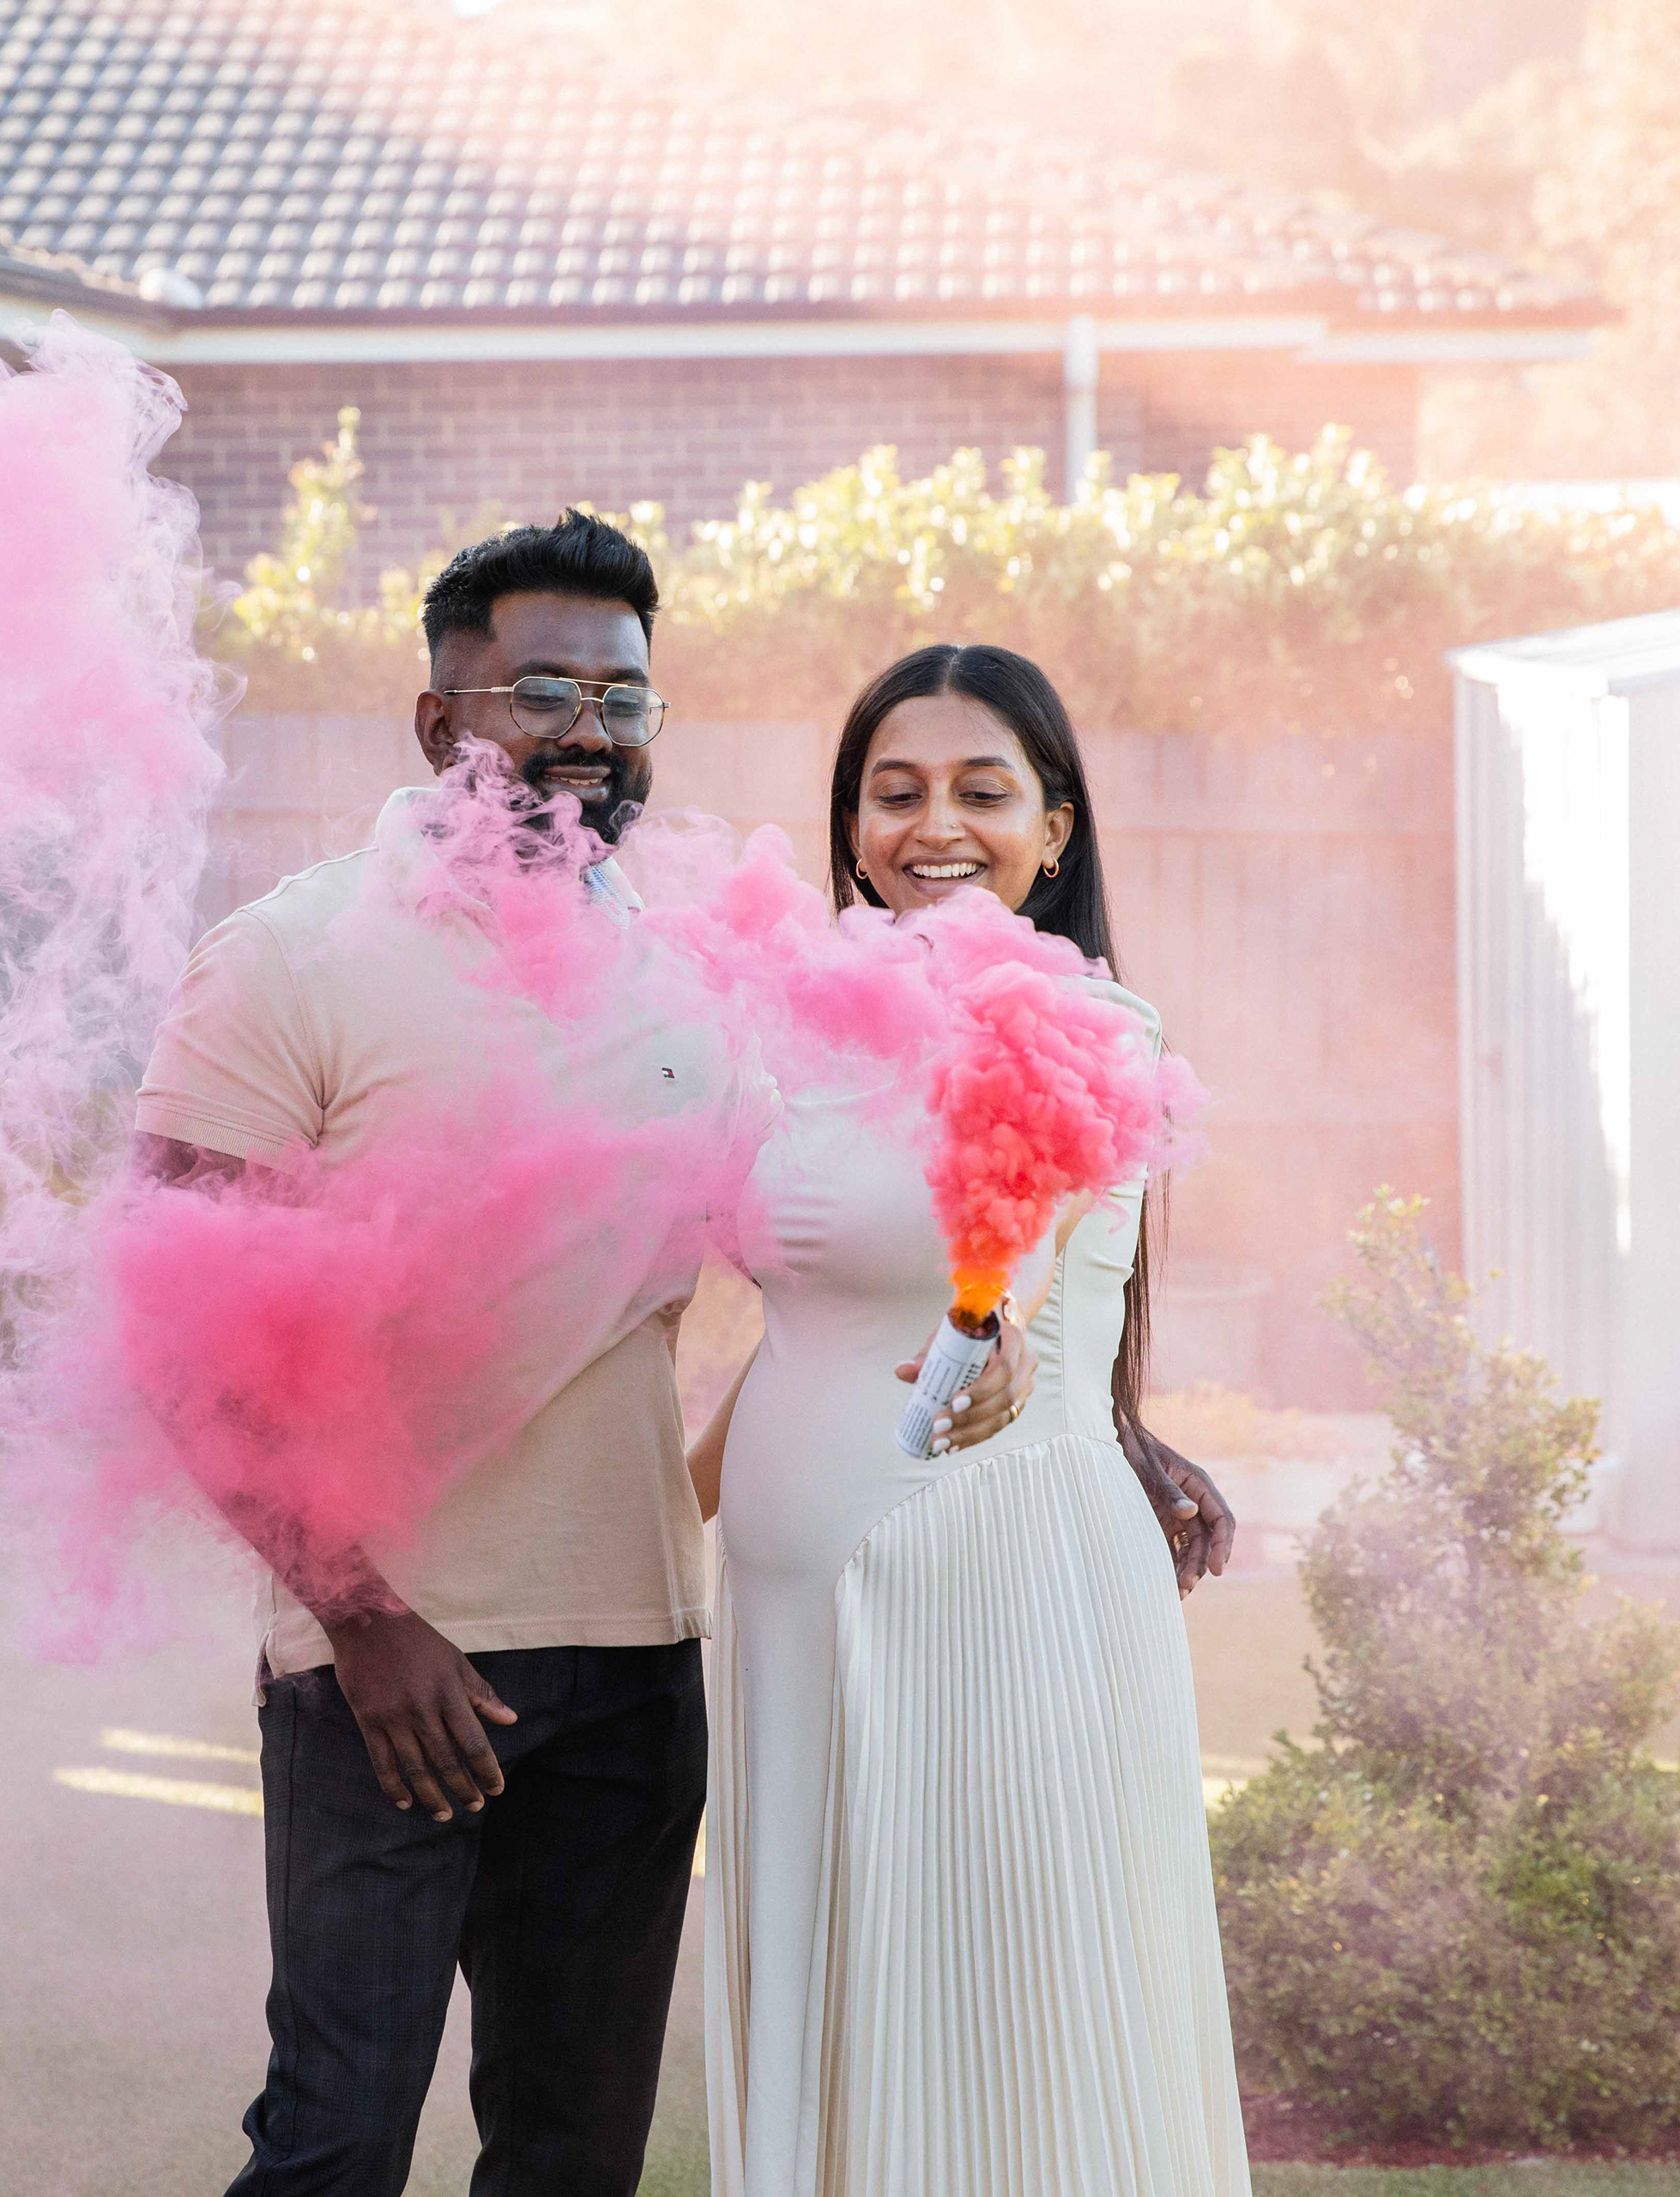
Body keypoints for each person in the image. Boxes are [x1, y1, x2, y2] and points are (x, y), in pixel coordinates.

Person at [130, 516, 1036, 2196]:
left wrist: (987, 1318)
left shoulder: (690, 968)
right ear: (437, 722)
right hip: (386, 1663)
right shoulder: (285, 956)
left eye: (625, 698)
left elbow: (808, 1231)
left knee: (572, 2153)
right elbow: (178, 1342)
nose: (589, 731)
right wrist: (362, 1623)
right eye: (540, 691)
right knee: (334, 2141)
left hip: (634, 1656)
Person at [689, 643, 1252, 2197]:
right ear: (851, 825)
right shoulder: (796, 1033)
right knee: (826, 2009)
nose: (935, 825)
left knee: (993, 2026)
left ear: (1053, 830)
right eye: (897, 792)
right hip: (787, 1612)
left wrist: (984, 1353)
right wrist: (663, 1508)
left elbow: (1016, 1270)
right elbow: (800, 1325)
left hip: (986, 1585)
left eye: (982, 792)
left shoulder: (1090, 1025)